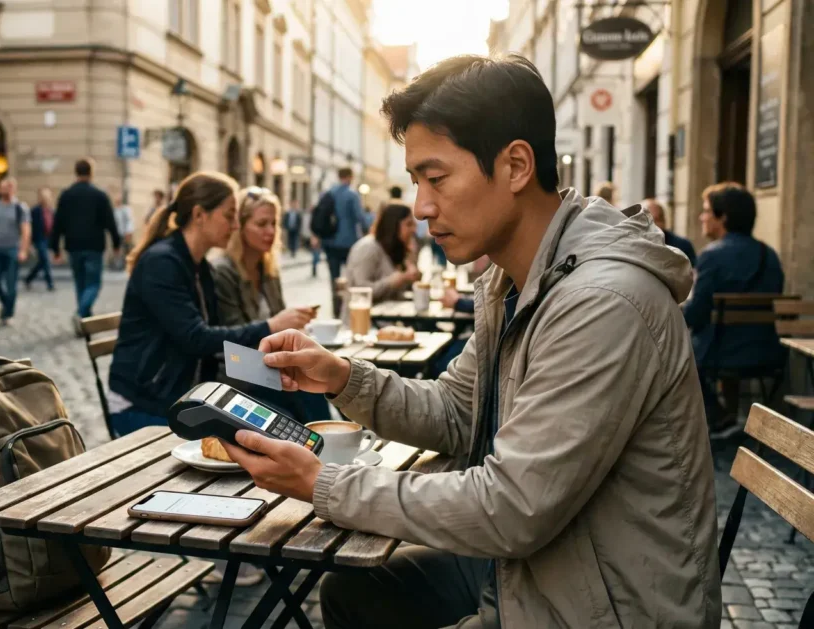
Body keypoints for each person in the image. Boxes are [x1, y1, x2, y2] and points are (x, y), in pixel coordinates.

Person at [219, 54, 720, 628]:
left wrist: (323, 483)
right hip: (539, 567)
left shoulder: (601, 302)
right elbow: (457, 413)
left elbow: (512, 508)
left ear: (514, 166)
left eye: (436, 178)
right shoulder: (516, 279)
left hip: (605, 608)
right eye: (415, 182)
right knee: (353, 592)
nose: (421, 206)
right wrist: (341, 376)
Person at [106, 172, 311, 435]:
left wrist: (271, 375)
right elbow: (196, 339)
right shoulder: (162, 263)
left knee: (290, 416)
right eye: (229, 216)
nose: (235, 225)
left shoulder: (199, 267)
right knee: (274, 436)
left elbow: (216, 347)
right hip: (145, 403)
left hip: (191, 395)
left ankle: (328, 463)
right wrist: (271, 325)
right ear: (199, 215)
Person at [210, 186, 326, 420]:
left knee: (318, 380)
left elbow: (280, 325)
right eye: (262, 224)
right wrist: (278, 325)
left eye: (274, 223)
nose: (271, 231)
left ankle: (336, 443)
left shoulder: (268, 269)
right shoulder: (223, 271)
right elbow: (234, 343)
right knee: (305, 393)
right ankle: (328, 447)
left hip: (269, 368)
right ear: (240, 227)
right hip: (239, 375)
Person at [682, 182, 785, 438]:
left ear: (723, 217)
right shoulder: (769, 255)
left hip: (718, 354)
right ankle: (729, 416)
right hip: (767, 351)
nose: (701, 217)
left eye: (707, 211)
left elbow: (695, 314)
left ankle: (719, 417)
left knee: (676, 351)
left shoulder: (711, 256)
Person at [51, 158, 121, 325]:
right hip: (94, 246)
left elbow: (58, 223)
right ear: (91, 172)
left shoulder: (66, 195)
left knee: (81, 283)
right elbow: (110, 222)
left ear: (76, 172)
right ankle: (81, 313)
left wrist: (55, 249)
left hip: (73, 246)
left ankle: (84, 317)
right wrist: (117, 244)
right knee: (94, 284)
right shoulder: (99, 195)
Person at [343, 203, 421, 304]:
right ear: (393, 225)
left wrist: (412, 265)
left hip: (390, 315)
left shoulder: (396, 249)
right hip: (363, 318)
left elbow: (406, 289)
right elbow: (360, 290)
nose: (414, 229)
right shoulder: (368, 248)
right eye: (409, 224)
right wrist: (392, 282)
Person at [321, 168, 366, 312]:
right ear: (350, 177)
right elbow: (360, 217)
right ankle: (347, 308)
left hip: (330, 242)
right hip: (348, 242)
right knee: (350, 277)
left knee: (334, 278)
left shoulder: (328, 192)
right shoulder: (352, 194)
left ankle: (336, 308)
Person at [0, 177, 31, 325]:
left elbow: (25, 230)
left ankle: (8, 313)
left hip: (13, 249)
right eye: (1, 187)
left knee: (11, 285)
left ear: (13, 189)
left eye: (5, 187)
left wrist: (23, 250)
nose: (2, 190)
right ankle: (6, 304)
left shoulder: (20, 207)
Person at [644, 197, 697, 266]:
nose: (655, 225)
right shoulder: (633, 245)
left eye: (659, 219)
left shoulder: (682, 246)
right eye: (650, 220)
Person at [24, 187, 55, 291]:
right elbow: (29, 228)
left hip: (48, 240)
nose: (45, 199)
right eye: (43, 197)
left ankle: (28, 278)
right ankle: (50, 283)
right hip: (39, 239)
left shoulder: (52, 211)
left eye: (47, 197)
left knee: (42, 262)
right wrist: (29, 244)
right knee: (45, 260)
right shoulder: (34, 211)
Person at [112, 188, 135, 271]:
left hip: (125, 232)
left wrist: (129, 232)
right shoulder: (114, 210)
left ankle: (127, 263)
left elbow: (129, 221)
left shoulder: (125, 209)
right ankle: (117, 263)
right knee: (117, 248)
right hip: (117, 232)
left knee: (126, 249)